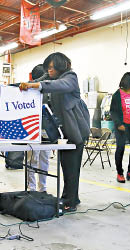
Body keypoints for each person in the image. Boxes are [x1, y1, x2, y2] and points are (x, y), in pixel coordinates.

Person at [19, 52, 90, 212]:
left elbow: (58, 85)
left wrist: (36, 86)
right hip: (65, 133)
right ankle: (72, 197)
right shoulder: (50, 77)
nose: (49, 71)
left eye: (51, 67)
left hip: (76, 131)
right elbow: (37, 82)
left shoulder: (70, 77)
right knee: (67, 166)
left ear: (60, 66)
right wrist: (21, 85)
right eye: (47, 68)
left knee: (71, 167)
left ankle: (69, 202)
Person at [110, 72, 130, 183]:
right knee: (120, 148)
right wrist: (119, 124)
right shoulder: (117, 95)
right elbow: (113, 111)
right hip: (122, 126)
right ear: (127, 81)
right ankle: (120, 173)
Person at [27, 64, 51, 192]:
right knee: (33, 159)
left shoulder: (48, 89)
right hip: (33, 130)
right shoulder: (29, 89)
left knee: (42, 159)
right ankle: (32, 187)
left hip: (45, 130)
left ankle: (42, 188)